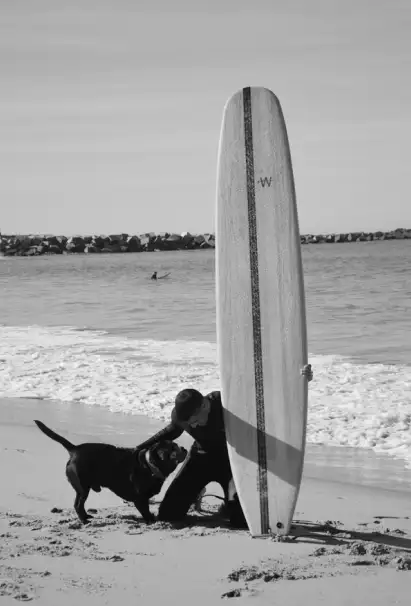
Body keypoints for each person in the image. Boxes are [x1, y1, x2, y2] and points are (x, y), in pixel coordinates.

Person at [135, 364, 313, 528]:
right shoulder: (181, 416)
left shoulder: (227, 404)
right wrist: (138, 449)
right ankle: (196, 492)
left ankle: (229, 504)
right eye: (190, 423)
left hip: (232, 463)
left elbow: (268, 398)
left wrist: (298, 381)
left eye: (196, 421)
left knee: (240, 522)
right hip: (200, 459)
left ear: (204, 405)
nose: (194, 426)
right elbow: (170, 432)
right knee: (168, 515)